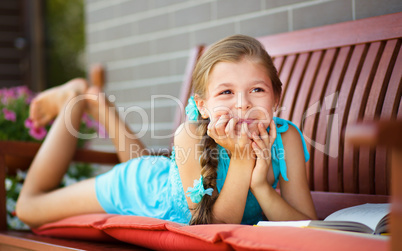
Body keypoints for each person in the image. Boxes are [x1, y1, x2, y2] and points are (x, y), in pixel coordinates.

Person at [16, 35, 317, 228]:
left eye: (257, 89)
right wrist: (241, 161)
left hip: (166, 176)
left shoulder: (286, 138)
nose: (242, 104)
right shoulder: (191, 135)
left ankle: (95, 101)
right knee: (28, 208)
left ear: (276, 98)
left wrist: (262, 188)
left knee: (144, 161)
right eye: (226, 92)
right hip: (138, 189)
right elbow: (214, 228)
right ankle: (77, 98)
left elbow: (308, 226)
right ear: (202, 105)